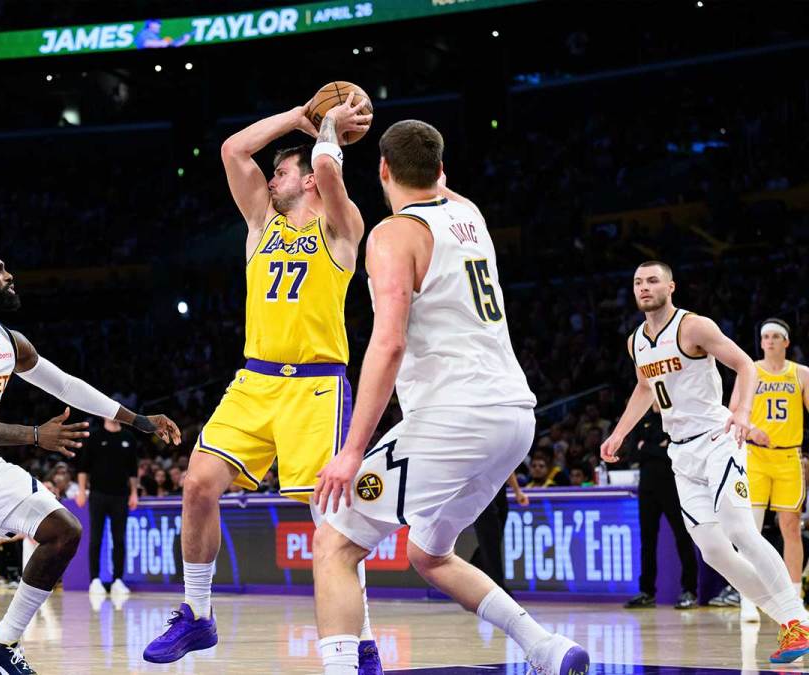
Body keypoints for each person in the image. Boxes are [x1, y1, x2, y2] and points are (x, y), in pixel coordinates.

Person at [312, 120, 588, 675]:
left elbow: (387, 343)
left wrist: (351, 450)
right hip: (514, 417)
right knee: (429, 554)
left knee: (333, 540)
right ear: (441, 170)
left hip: (454, 418)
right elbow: (440, 185)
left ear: (384, 170)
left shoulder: (392, 236)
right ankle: (545, 647)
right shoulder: (471, 217)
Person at [144, 94, 382, 671]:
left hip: (317, 388)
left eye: (282, 171)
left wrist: (325, 130)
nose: (271, 179)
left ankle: (364, 640)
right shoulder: (261, 223)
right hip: (254, 381)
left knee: (330, 524)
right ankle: (197, 614)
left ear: (308, 180)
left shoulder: (344, 226)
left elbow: (327, 168)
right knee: (198, 484)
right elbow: (233, 149)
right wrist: (302, 114)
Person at [0, 248, 180, 675]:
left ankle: (1, 642)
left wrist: (137, 420)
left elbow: (65, 385)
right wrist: (33, 435)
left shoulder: (10, 342)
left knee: (64, 531)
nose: (9, 276)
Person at [601, 261, 809, 663]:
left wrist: (744, 412)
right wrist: (619, 432)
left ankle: (794, 620)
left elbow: (745, 365)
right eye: (638, 282)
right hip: (680, 452)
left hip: (718, 441)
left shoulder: (694, 327)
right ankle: (790, 621)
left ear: (671, 286)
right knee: (713, 550)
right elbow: (645, 387)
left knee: (741, 531)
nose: (644, 287)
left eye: (652, 281)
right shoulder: (636, 342)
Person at [739, 318, 809, 621]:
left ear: (786, 342)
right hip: (755, 456)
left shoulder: (802, 374)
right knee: (750, 531)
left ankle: (794, 600)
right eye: (764, 336)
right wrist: (752, 430)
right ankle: (747, 600)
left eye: (774, 336)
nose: (768, 341)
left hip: (789, 457)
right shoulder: (750, 370)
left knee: (790, 527)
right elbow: (733, 412)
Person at [622, 406, 698, 610]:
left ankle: (689, 590)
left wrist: (645, 447)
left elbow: (674, 455)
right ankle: (647, 591)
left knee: (683, 537)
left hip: (672, 487)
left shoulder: (676, 419)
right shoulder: (643, 419)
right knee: (647, 540)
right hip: (646, 488)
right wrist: (658, 448)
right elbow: (632, 455)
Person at [76, 417, 139, 596]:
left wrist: (134, 492)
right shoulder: (95, 437)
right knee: (96, 538)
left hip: (121, 495)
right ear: (103, 414)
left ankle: (118, 580)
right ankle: (94, 580)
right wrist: (82, 490)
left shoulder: (128, 437)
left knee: (119, 539)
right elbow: (83, 467)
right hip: (98, 494)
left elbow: (133, 469)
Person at [470, 475, 529, 593]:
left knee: (494, 538)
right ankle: (498, 588)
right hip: (479, 490)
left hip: (499, 490)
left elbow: (508, 462)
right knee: (490, 539)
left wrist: (517, 491)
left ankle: (473, 569)